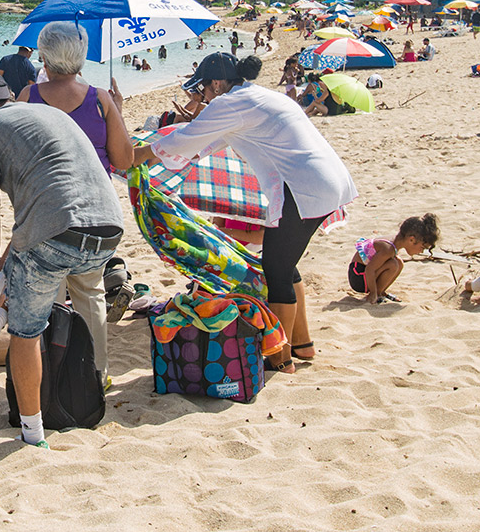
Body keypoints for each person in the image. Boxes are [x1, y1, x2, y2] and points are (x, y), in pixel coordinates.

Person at [132, 52, 357, 373]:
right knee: (284, 264)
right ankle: (303, 344)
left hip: (303, 186)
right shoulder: (259, 96)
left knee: (276, 270)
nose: (203, 96)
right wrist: (159, 157)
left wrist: (138, 154)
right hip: (326, 180)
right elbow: (205, 145)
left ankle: (280, 358)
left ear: (219, 83)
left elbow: (187, 139)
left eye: (205, 89)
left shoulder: (230, 104)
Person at [0, 69, 123, 446]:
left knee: (26, 331)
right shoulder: (50, 113)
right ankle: (90, 384)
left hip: (58, 235)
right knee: (50, 281)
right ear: (12, 97)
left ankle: (33, 434)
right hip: (108, 231)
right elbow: (38, 211)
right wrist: (4, 266)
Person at [17, 23, 134, 380]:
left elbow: (16, 157)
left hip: (46, 212)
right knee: (91, 293)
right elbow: (125, 160)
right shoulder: (100, 98)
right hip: (96, 213)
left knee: (46, 295)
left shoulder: (28, 95)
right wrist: (118, 111)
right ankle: (96, 373)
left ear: (43, 57)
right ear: (80, 58)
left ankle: (53, 372)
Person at [347, 214, 440, 304]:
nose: (421, 252)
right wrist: (373, 293)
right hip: (358, 277)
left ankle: (381, 292)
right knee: (393, 264)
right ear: (411, 239)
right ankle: (376, 294)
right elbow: (369, 269)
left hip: (363, 272)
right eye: (422, 247)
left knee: (398, 262)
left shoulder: (395, 242)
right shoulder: (388, 249)